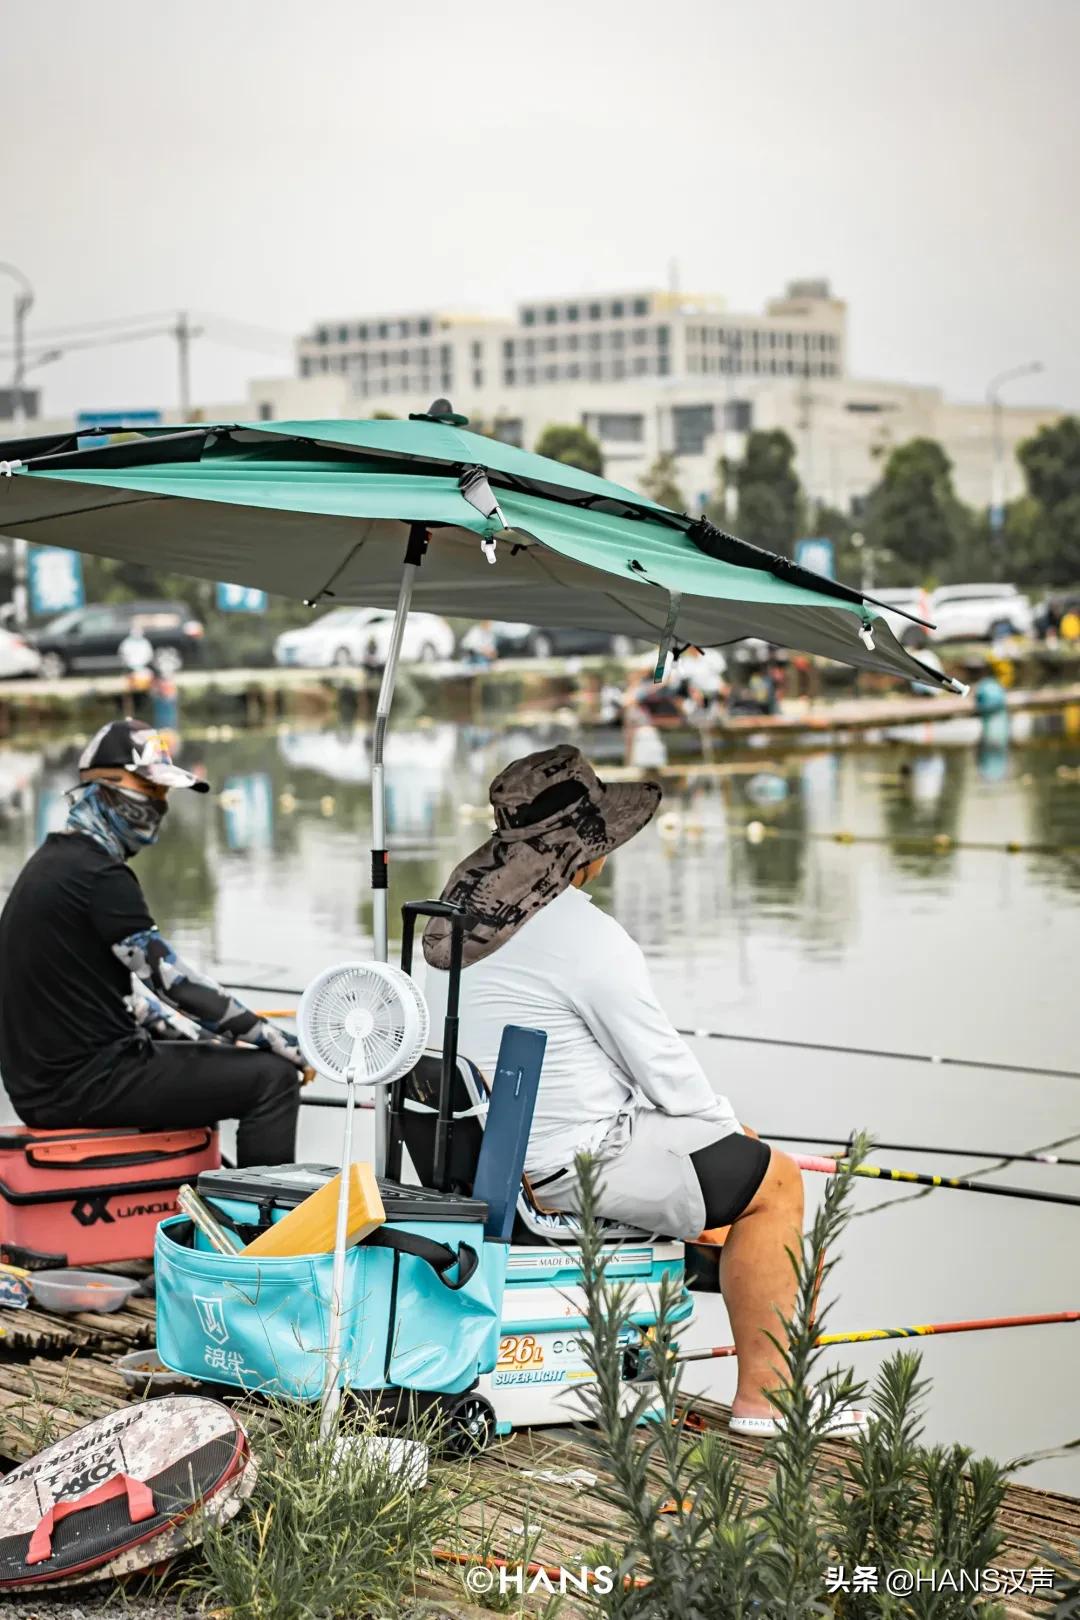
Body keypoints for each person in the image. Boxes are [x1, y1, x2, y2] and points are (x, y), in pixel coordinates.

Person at [423, 744, 865, 1435]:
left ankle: (710, 1324)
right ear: (585, 852)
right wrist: (732, 1135)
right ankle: (769, 1406)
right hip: (565, 1169)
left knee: (717, 1179)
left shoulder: (453, 922)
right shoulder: (586, 937)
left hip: (491, 1158)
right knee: (772, 1185)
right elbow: (669, 1077)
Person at [0, 719, 304, 1166]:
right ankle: (265, 1226)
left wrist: (220, 1041)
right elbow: (174, 983)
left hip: (53, 1083)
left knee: (218, 1060)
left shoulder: (57, 862)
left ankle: (210, 1193)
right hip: (82, 1084)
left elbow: (135, 1004)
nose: (159, 805)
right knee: (273, 1078)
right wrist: (282, 1044)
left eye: (164, 794)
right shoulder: (99, 876)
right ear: (105, 786)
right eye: (150, 789)